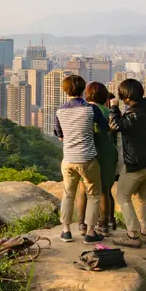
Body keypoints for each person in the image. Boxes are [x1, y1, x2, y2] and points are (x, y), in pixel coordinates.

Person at [107, 78, 146, 248]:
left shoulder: (134, 114)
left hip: (137, 164)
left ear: (127, 98)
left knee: (122, 196)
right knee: (141, 196)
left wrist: (114, 107)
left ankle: (132, 235)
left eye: (122, 97)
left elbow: (115, 125)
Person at [54, 74, 107, 244]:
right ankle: (90, 233)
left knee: (68, 194)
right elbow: (105, 127)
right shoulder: (91, 109)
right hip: (87, 159)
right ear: (83, 90)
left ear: (65, 90)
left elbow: (60, 136)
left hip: (68, 159)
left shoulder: (60, 111)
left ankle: (66, 230)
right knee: (94, 195)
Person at [84, 82, 119, 235]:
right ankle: (105, 224)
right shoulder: (109, 112)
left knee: (87, 190)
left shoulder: (84, 111)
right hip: (108, 153)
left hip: (89, 152)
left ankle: (83, 223)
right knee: (105, 190)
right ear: (105, 96)